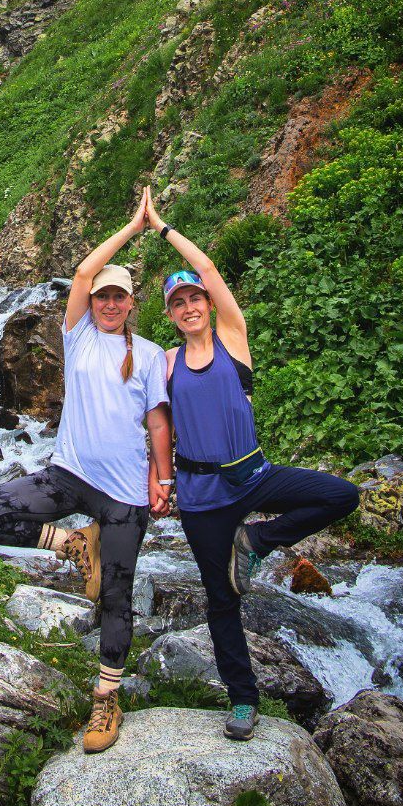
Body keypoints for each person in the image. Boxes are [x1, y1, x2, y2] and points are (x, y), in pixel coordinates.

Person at [145, 188, 359, 740]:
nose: (190, 307)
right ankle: (243, 700)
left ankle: (257, 541)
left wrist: (162, 227)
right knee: (222, 600)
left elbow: (210, 268)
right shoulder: (165, 363)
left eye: (195, 298)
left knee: (342, 495)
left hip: (255, 478)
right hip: (201, 499)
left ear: (208, 303)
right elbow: (157, 427)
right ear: (170, 314)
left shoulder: (232, 340)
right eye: (178, 303)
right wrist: (159, 479)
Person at [0, 189, 172, 753]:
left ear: (131, 304)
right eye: (103, 296)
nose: (109, 303)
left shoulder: (149, 354)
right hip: (68, 476)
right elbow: (81, 272)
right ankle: (73, 544)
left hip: (124, 495)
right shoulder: (77, 337)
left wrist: (163, 478)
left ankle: (106, 698)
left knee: (116, 597)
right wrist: (134, 227)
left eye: (118, 297)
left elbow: (158, 422)